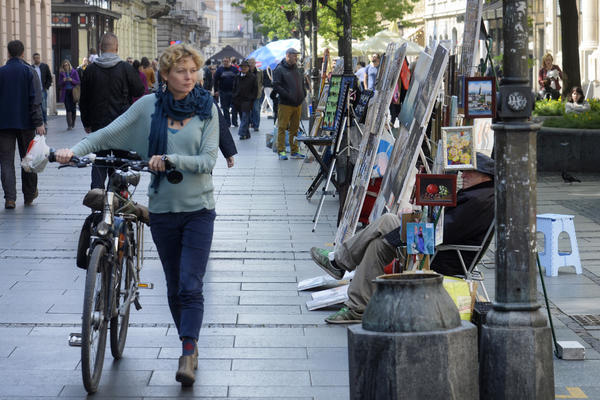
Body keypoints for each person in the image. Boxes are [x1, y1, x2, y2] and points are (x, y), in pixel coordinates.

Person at [55, 43, 219, 387]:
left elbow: (206, 161)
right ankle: (188, 341)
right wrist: (73, 151)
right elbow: (106, 134)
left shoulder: (207, 109)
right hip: (162, 211)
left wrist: (171, 160)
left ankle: (188, 350)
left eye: (193, 70)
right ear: (165, 75)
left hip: (198, 210)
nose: (189, 77)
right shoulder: (148, 107)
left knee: (191, 283)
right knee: (175, 286)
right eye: (181, 71)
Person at [310, 152, 495, 323]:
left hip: (440, 255)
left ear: (484, 176)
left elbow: (444, 232)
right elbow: (446, 226)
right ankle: (358, 306)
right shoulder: (479, 194)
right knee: (378, 244)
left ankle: (339, 262)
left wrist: (413, 225)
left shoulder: (480, 200)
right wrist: (418, 216)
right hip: (437, 246)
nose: (463, 176)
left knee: (387, 222)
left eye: (469, 172)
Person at [79, 32, 145, 189]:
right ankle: (119, 195)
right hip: (121, 124)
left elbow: (84, 100)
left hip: (98, 124)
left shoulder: (91, 70)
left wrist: (86, 123)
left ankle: (97, 191)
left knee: (99, 159)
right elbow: (139, 90)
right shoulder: (126, 68)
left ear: (101, 48)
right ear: (117, 48)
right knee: (121, 161)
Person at [0, 40, 45, 209]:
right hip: (26, 123)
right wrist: (39, 122)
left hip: (4, 124)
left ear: (8, 53)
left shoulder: (1, 72)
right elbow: (35, 100)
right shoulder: (29, 71)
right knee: (29, 159)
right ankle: (29, 194)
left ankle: (10, 198)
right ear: (23, 53)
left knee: (6, 161)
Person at [272, 48, 306, 160]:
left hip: (297, 104)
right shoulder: (279, 69)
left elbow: (302, 84)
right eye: (294, 55)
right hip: (285, 104)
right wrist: (287, 95)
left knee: (295, 129)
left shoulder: (298, 69)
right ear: (287, 55)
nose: (296, 57)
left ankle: (294, 150)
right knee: (282, 127)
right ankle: (281, 151)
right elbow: (276, 86)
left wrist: (303, 95)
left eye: (297, 55)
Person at [232, 60, 257, 140]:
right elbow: (234, 87)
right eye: (242, 67)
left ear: (248, 68)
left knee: (245, 117)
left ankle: (242, 133)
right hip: (238, 100)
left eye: (245, 67)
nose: (244, 68)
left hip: (247, 100)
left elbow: (255, 89)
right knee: (242, 117)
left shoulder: (252, 77)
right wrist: (234, 96)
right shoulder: (237, 76)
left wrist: (252, 98)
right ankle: (247, 133)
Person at [214, 57, 239, 127]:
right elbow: (215, 80)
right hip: (223, 92)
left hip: (233, 92)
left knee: (234, 108)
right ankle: (227, 123)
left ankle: (235, 122)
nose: (225, 63)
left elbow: (238, 80)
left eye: (227, 61)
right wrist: (216, 90)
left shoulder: (235, 69)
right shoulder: (219, 70)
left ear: (230, 61)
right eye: (224, 61)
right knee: (225, 108)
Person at [58, 60, 81, 130]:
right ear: (63, 66)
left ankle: (73, 122)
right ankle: (69, 125)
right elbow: (59, 83)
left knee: (73, 109)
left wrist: (71, 80)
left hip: (73, 92)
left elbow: (78, 82)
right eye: (64, 65)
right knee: (68, 109)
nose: (66, 66)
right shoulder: (62, 73)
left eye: (67, 65)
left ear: (69, 65)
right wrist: (63, 80)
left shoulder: (74, 72)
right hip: (65, 92)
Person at [32, 52, 53, 127]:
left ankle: (45, 121)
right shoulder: (31, 68)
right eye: (35, 58)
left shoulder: (44, 66)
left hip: (43, 90)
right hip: (35, 91)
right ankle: (39, 122)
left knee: (43, 107)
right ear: (33, 59)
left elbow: (49, 78)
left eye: (38, 58)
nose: (37, 59)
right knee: (37, 107)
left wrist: (46, 86)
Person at [248, 58, 264, 132]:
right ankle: (251, 123)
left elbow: (261, 81)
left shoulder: (259, 71)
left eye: (252, 62)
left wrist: (260, 89)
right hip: (247, 94)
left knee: (256, 110)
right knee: (248, 110)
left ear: (255, 63)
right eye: (250, 63)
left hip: (257, 94)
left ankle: (256, 125)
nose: (251, 64)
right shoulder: (246, 71)